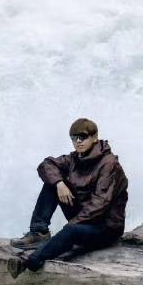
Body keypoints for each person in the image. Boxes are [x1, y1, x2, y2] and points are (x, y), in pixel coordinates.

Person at [10, 117, 127, 273]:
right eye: (74, 138)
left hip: (105, 229)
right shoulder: (74, 159)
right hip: (84, 220)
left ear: (94, 137)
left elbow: (100, 203)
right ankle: (39, 233)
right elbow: (46, 164)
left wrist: (71, 227)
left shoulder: (109, 164)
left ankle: (30, 262)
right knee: (52, 183)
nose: (78, 141)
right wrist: (59, 183)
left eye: (83, 137)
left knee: (71, 231)